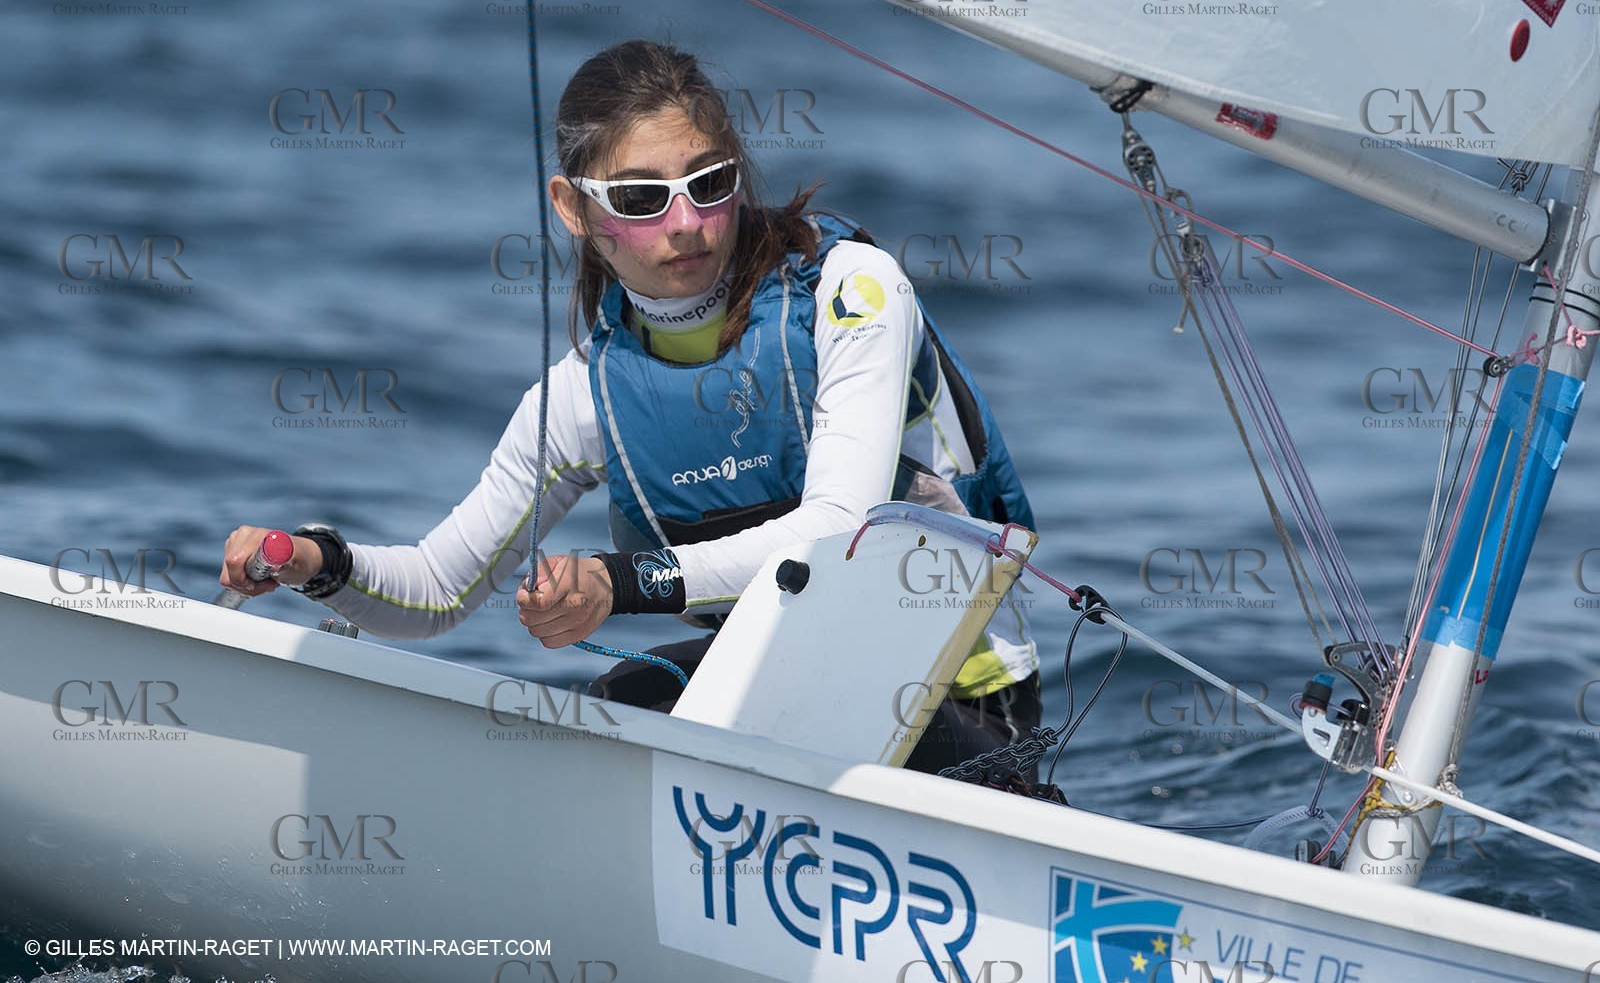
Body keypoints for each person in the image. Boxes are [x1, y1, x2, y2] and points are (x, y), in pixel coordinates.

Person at [220, 39, 1041, 774]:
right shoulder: (580, 396)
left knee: (656, 708)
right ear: (575, 209)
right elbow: (437, 592)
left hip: (956, 704)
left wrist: (617, 581)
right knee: (614, 707)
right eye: (643, 198)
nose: (687, 224)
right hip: (766, 716)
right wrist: (314, 560)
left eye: (709, 185)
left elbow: (839, 532)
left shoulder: (853, 293)